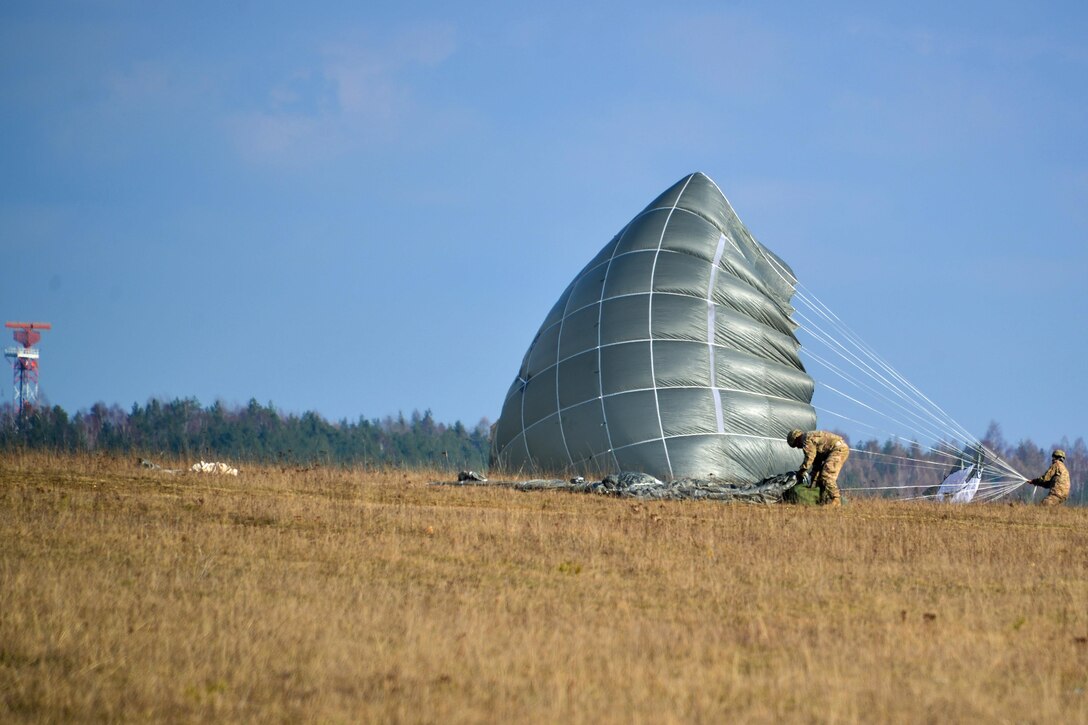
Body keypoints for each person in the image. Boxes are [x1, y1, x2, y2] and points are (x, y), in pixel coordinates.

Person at [787, 429, 850, 506]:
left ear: (796, 439)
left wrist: (801, 472)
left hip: (838, 450)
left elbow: (809, 458)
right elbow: (816, 465)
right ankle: (822, 501)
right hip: (837, 449)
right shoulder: (811, 440)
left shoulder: (806, 439)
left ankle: (836, 500)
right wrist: (812, 485)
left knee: (827, 475)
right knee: (820, 476)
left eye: (796, 445)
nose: (798, 447)